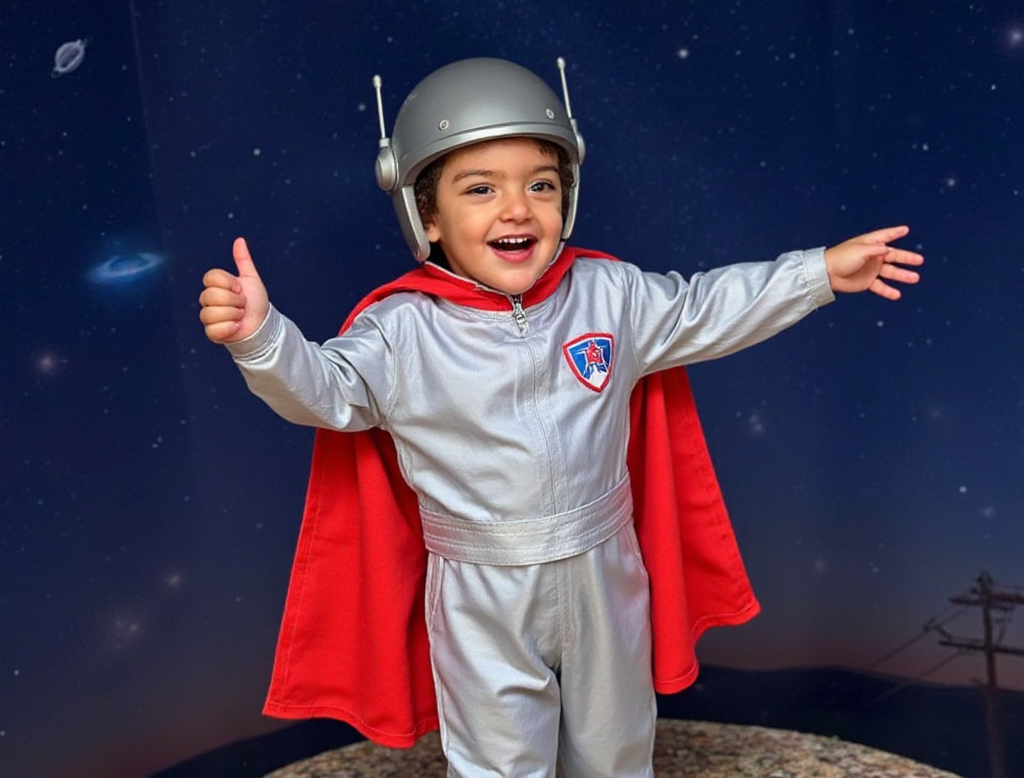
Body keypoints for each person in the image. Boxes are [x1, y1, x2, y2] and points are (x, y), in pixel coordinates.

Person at [199, 57, 923, 778]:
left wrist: (818, 273)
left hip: (606, 566)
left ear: (567, 199)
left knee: (615, 753)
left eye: (540, 186)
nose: (517, 209)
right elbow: (325, 392)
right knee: (499, 764)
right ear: (426, 214)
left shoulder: (609, 294)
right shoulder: (401, 330)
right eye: (479, 189)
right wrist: (263, 340)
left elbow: (707, 307)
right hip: (483, 586)